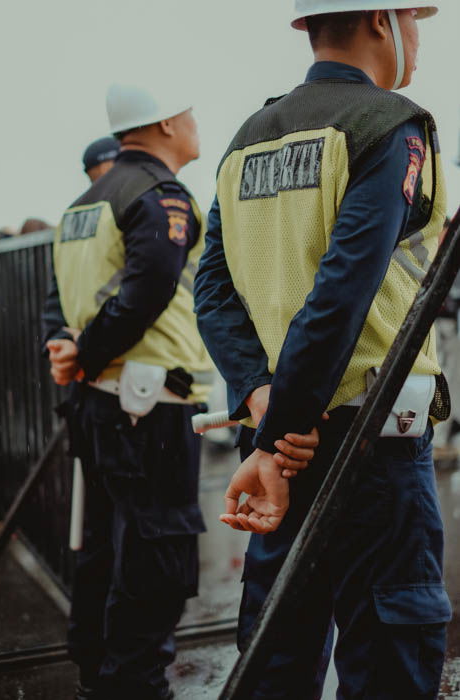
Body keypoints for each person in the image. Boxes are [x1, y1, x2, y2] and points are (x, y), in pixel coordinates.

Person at [194, 1, 452, 698]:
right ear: (378, 20)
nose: (418, 38)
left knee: (277, 652)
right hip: (368, 444)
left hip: (279, 442)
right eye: (413, 18)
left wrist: (265, 412)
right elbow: (341, 294)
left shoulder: (246, 139)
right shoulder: (391, 127)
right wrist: (285, 429)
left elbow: (211, 290)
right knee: (389, 657)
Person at [42, 83, 214, 700]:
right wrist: (85, 354)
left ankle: (97, 673)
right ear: (166, 122)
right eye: (190, 113)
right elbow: (149, 286)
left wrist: (69, 354)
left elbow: (56, 303)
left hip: (99, 401)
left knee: (103, 548)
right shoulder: (160, 194)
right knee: (155, 553)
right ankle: (136, 687)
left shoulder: (83, 204)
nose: (196, 123)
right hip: (150, 405)